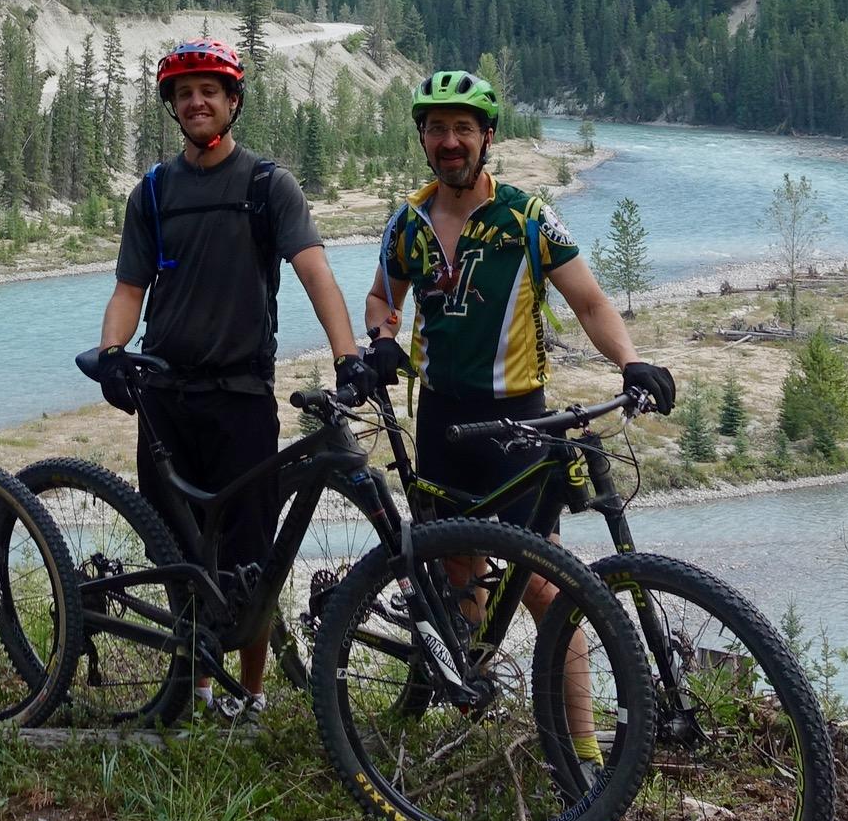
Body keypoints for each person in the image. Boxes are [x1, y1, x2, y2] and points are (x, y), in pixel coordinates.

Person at [364, 68, 676, 760]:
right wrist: (383, 340)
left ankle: (583, 747)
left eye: (463, 130)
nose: (450, 142)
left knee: (547, 584)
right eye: (438, 129)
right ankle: (471, 708)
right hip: (440, 420)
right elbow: (381, 298)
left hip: (518, 425)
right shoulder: (407, 221)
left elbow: (589, 302)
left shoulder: (527, 217)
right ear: (423, 137)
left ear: (487, 139)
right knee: (457, 574)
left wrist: (630, 361)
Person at [94, 38, 366, 719]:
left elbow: (313, 270)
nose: (196, 102)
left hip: (241, 396)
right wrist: (110, 351)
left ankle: (251, 694)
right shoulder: (154, 192)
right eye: (184, 93)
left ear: (233, 101)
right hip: (164, 397)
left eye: (209, 90)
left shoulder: (266, 186)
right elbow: (131, 288)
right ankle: (197, 689)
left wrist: (346, 355)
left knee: (252, 555)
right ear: (173, 107)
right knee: (179, 549)